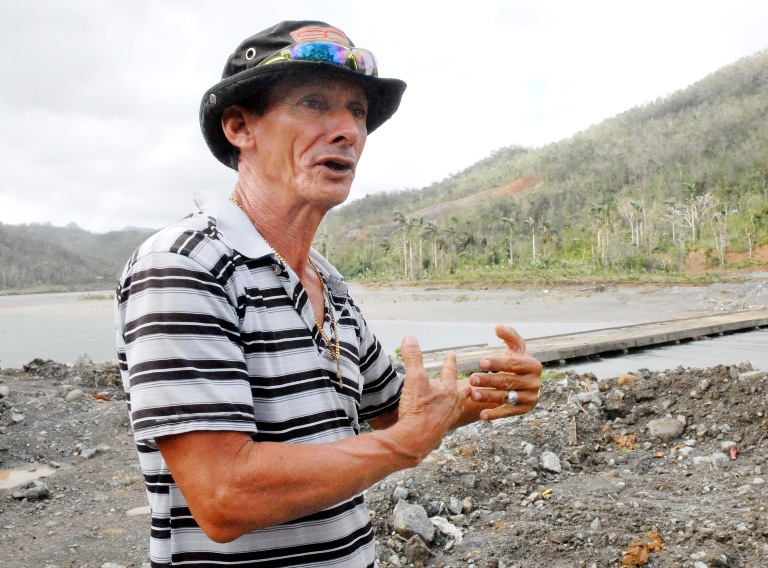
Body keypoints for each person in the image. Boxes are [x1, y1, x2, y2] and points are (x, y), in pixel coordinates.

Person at [115, 20, 542, 568]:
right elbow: (223, 496)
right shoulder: (184, 265)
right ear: (240, 126)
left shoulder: (327, 283)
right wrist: (403, 448)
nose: (347, 131)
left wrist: (496, 392)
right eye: (315, 104)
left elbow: (397, 413)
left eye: (358, 113)